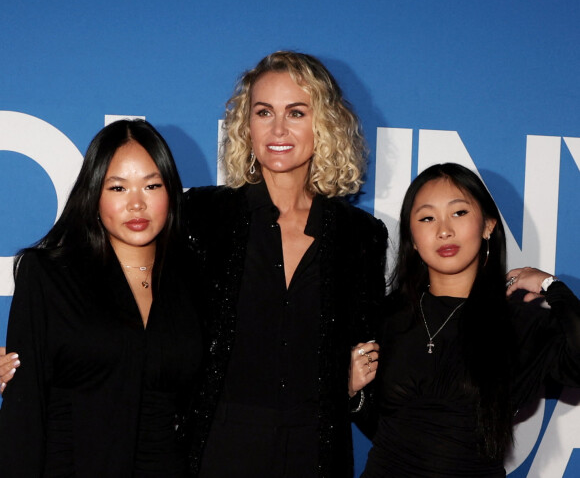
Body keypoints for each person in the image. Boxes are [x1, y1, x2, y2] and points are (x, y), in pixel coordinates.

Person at [182, 51, 387, 477]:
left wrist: (345, 387)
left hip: (313, 453)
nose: (278, 129)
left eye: (296, 112)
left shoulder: (359, 235)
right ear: (247, 125)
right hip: (216, 451)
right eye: (263, 112)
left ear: (324, 123)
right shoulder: (201, 217)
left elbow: (366, 363)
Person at [0, 119, 203, 477]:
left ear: (171, 193)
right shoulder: (47, 277)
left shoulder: (194, 282)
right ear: (94, 194)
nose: (137, 204)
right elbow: (23, 417)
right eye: (118, 188)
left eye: (152, 185)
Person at [360, 163, 580, 477]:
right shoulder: (387, 315)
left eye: (459, 213)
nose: (444, 230)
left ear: (489, 225)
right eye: (427, 218)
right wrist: (353, 394)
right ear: (413, 237)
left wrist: (552, 286)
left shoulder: (521, 324)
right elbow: (384, 425)